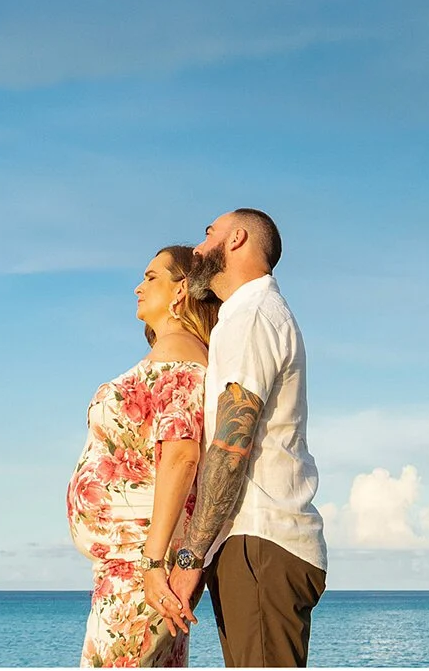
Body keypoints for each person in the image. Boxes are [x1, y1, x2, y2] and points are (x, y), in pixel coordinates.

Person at [151, 209, 327, 669]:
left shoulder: (251, 315)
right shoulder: (244, 315)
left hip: (260, 542)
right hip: (253, 546)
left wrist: (189, 558)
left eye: (209, 234)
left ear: (237, 239)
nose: (198, 248)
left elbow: (231, 446)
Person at [67, 245, 218, 668]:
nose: (138, 287)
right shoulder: (172, 352)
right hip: (133, 563)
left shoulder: (181, 354)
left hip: (142, 564)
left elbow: (182, 455)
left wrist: (153, 563)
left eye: (152, 277)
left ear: (181, 290)